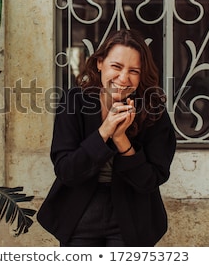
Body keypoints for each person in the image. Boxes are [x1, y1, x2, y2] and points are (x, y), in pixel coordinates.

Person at [37, 29, 176, 247]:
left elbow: (151, 179)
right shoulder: (74, 102)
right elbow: (66, 170)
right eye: (116, 67)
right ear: (100, 63)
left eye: (134, 71)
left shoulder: (153, 111)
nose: (123, 78)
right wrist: (105, 131)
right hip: (80, 211)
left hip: (131, 214)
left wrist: (121, 140)